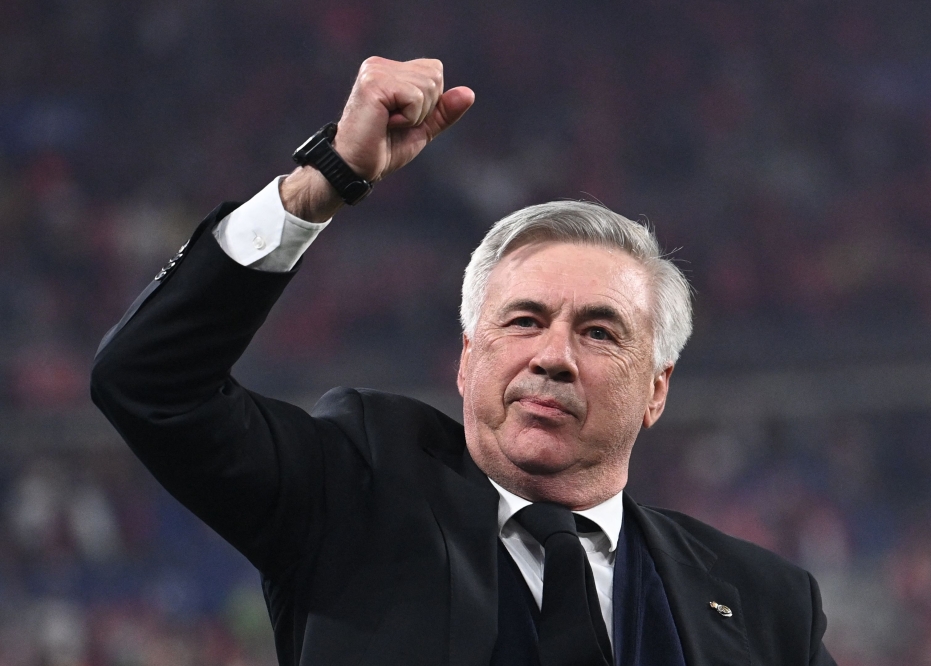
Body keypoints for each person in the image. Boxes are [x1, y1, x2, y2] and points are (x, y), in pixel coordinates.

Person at [91, 57, 836, 665]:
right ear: (467, 357)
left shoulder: (766, 605)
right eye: (524, 320)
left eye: (600, 333)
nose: (553, 357)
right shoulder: (353, 494)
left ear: (657, 389)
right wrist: (324, 183)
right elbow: (150, 383)